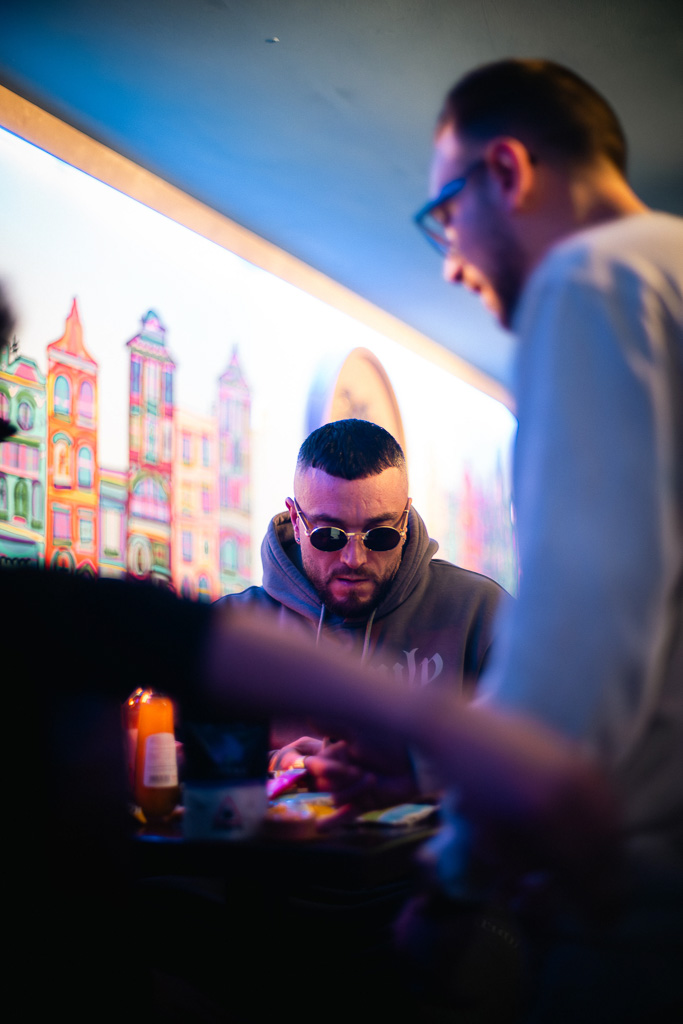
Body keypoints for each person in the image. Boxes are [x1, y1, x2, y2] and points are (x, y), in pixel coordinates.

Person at [400, 58, 683, 1021]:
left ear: (506, 171)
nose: (448, 260)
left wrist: (455, 879)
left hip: (640, 910)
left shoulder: (592, 278)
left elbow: (582, 629)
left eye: (445, 214)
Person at [219, 416, 507, 794]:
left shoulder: (481, 612)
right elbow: (165, 753)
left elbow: (538, 755)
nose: (354, 558)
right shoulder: (232, 626)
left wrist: (413, 767)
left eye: (380, 535)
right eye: (329, 535)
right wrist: (272, 763)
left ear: (404, 519)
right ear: (295, 519)